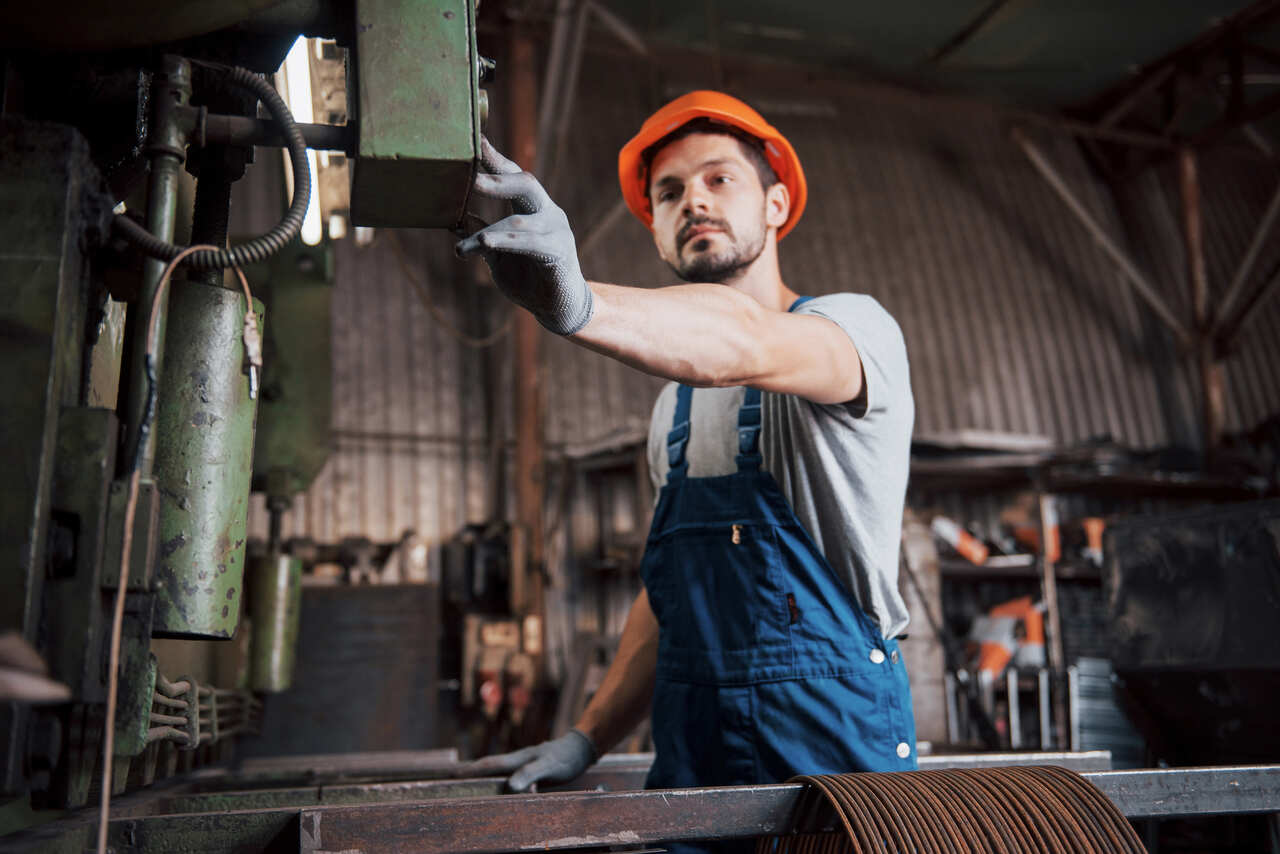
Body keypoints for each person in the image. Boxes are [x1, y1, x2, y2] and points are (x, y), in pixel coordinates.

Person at [457, 91, 916, 802]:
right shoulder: (673, 407)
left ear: (775, 204)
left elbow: (745, 340)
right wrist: (586, 736)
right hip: (693, 770)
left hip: (836, 766)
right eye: (668, 193)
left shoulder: (854, 332)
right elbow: (670, 597)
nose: (692, 201)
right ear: (658, 231)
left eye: (719, 178)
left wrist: (578, 302)